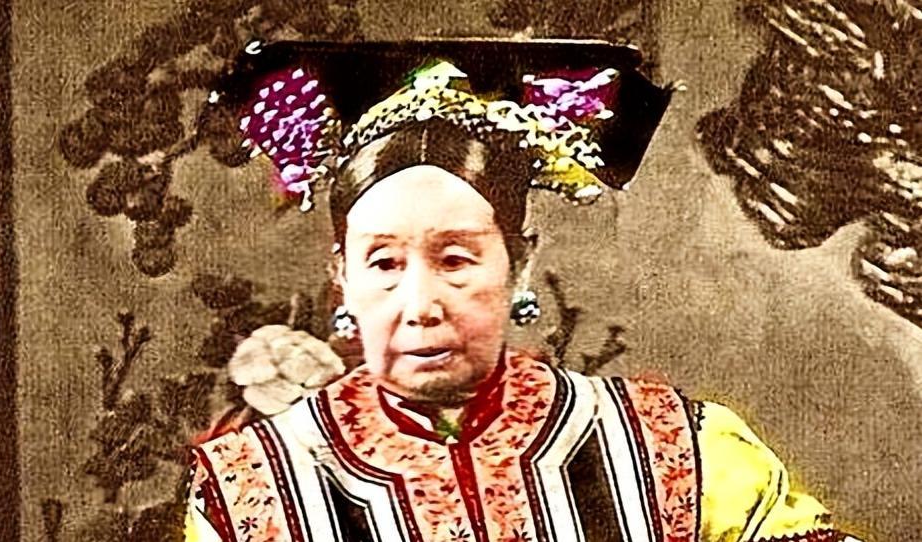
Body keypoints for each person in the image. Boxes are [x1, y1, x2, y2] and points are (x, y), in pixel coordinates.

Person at [183, 42, 861, 542]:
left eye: (456, 259)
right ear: (343, 278)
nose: (420, 305)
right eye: (384, 263)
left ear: (520, 262)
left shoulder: (673, 445)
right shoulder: (253, 486)